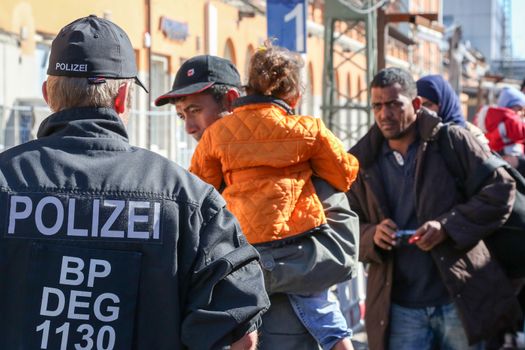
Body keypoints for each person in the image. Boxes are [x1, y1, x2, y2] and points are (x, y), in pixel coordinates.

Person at [0, 15, 270, 350]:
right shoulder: (189, 199)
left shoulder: (6, 181)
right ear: (122, 98)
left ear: (49, 95)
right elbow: (239, 332)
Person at [156, 53, 360, 350]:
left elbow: (341, 253)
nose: (188, 127)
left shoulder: (304, 169)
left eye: (195, 110)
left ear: (230, 100)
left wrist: (250, 272)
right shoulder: (199, 178)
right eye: (181, 115)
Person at [347, 67, 521, 350]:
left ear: (415, 105)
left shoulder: (451, 141)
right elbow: (344, 222)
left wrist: (448, 227)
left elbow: (501, 190)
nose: (384, 114)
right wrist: (371, 235)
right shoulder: (361, 160)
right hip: (398, 310)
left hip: (459, 301)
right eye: (377, 106)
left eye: (393, 104)